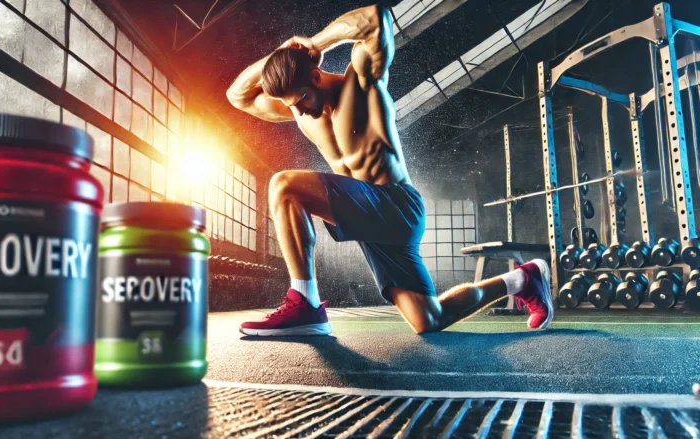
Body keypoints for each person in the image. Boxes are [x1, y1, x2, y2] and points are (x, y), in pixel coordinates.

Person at [226, 4, 553, 336]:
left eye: (301, 99)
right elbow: (237, 95)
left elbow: (375, 19)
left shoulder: (361, 84)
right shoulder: (299, 109)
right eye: (290, 105)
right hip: (372, 222)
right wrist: (282, 53)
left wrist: (316, 43)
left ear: (315, 75)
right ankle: (524, 279)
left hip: (395, 205)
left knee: (284, 185)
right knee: (429, 319)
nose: (297, 110)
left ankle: (305, 303)